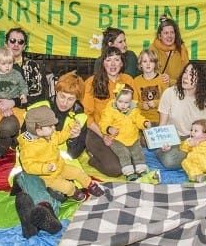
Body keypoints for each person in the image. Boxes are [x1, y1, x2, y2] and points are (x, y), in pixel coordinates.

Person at [0, 27, 47, 158]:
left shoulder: (32, 66)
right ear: (6, 43)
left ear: (24, 46)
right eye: (13, 40)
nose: (16, 44)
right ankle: (2, 142)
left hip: (25, 111)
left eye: (20, 42)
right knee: (5, 125)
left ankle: (14, 140)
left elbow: (40, 95)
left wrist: (13, 102)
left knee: (10, 126)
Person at [17, 105, 104, 201]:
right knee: (66, 186)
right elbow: (29, 166)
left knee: (78, 172)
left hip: (60, 166)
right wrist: (45, 168)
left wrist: (69, 128)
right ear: (38, 130)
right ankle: (74, 192)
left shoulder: (50, 134)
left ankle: (90, 185)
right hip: (48, 177)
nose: (54, 128)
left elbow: (60, 137)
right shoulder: (29, 147)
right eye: (50, 126)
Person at [81, 46, 135, 177]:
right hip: (97, 132)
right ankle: (93, 158)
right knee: (115, 169)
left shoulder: (128, 80)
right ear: (103, 62)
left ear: (122, 63)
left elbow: (134, 109)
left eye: (117, 60)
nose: (112, 64)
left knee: (134, 164)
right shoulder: (91, 82)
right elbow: (86, 116)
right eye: (108, 59)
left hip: (123, 132)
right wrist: (103, 135)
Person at [0, 47, 30, 158]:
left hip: (15, 106)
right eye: (4, 64)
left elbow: (23, 85)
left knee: (20, 120)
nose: (7, 66)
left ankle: (14, 141)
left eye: (10, 63)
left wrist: (23, 94)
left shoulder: (16, 74)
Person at [98, 83, 150, 180]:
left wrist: (144, 123)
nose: (123, 105)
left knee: (138, 152)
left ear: (131, 101)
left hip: (133, 137)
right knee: (124, 153)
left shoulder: (134, 109)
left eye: (127, 102)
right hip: (117, 139)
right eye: (120, 101)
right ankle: (128, 172)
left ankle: (141, 169)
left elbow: (138, 119)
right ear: (115, 99)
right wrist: (109, 129)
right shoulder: (110, 110)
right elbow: (103, 123)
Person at [48, 72, 88, 159]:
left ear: (76, 99)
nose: (65, 103)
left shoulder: (81, 117)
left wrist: (73, 139)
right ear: (56, 91)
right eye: (62, 96)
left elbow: (74, 155)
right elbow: (23, 141)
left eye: (70, 99)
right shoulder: (41, 108)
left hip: (63, 163)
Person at [148, 15, 190, 84]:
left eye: (172, 32)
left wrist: (171, 81)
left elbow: (187, 76)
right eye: (166, 33)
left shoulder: (182, 49)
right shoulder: (152, 50)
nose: (169, 36)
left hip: (178, 89)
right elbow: (150, 75)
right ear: (160, 36)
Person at [132, 48, 168, 125]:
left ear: (155, 64)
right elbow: (134, 102)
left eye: (151, 61)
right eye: (145, 61)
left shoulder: (163, 79)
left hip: (160, 120)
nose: (148, 64)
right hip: (142, 121)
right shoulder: (136, 81)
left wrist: (156, 103)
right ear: (140, 64)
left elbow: (167, 102)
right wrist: (142, 105)